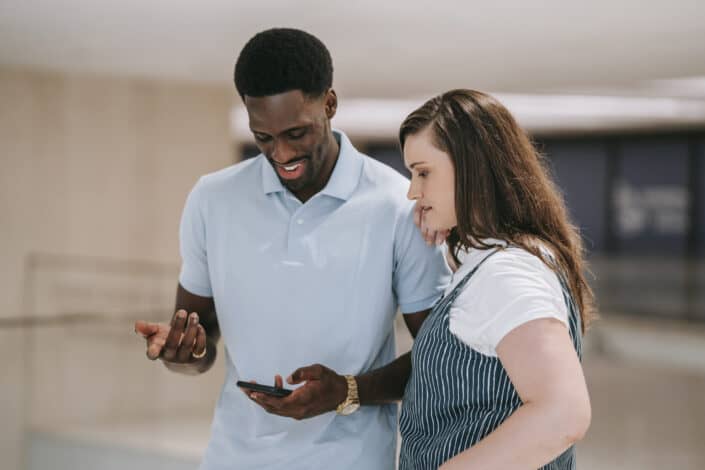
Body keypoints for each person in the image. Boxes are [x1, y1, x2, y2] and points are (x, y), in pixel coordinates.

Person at [134, 28, 450, 470]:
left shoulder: (397, 206)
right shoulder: (212, 199)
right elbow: (198, 343)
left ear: (330, 104)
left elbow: (442, 359)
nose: (281, 154)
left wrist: (347, 391)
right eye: (263, 137)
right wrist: (183, 353)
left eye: (297, 133)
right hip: (233, 458)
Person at [398, 89, 594, 470]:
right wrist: (451, 235)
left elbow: (564, 414)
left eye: (423, 172)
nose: (412, 192)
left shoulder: (506, 274)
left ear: (471, 166)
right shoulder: (505, 259)